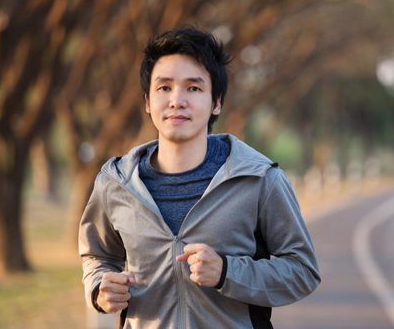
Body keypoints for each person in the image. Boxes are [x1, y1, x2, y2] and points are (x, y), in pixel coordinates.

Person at [79, 26, 320, 329]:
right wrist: (100, 288)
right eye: (164, 88)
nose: (177, 100)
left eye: (193, 88)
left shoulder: (259, 179)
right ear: (147, 101)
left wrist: (226, 272)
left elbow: (302, 271)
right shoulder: (116, 183)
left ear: (216, 102)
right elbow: (97, 255)